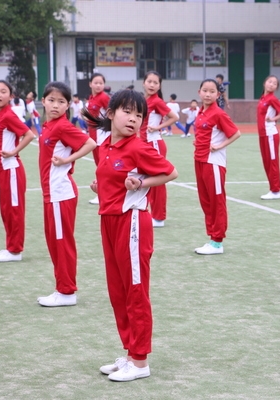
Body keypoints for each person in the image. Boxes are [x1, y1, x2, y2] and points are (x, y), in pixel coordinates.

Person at [83, 90, 178, 382]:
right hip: (109, 222)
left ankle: (140, 362)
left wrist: (141, 183)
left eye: (139, 115)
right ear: (111, 113)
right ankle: (129, 354)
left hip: (133, 222)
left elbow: (170, 173)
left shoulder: (138, 147)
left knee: (135, 292)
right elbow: (112, 177)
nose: (133, 119)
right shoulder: (107, 145)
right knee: (118, 292)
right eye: (127, 112)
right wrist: (100, 187)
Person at [36, 82, 96, 307]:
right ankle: (61, 288)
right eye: (51, 100)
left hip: (60, 193)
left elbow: (90, 143)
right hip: (51, 194)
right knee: (54, 243)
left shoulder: (62, 126)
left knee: (62, 244)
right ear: (43, 101)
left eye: (61, 102)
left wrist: (67, 160)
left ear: (68, 105)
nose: (55, 105)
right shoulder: (49, 125)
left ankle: (67, 292)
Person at [0, 80, 36, 262]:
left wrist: (14, 152)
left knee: (14, 211)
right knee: (6, 210)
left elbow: (29, 134)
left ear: (10, 96)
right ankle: (10, 247)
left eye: (3, 91)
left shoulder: (8, 115)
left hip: (11, 171)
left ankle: (15, 251)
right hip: (1, 170)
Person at [193, 79, 241, 255]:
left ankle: (217, 242)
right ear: (199, 92)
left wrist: (220, 146)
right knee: (205, 201)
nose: (208, 94)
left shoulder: (218, 113)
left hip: (213, 162)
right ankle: (212, 237)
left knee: (216, 201)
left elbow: (236, 133)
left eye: (212, 91)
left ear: (218, 94)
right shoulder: (200, 112)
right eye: (205, 90)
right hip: (199, 160)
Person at [139, 71, 179, 228]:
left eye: (155, 82)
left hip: (154, 143)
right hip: (144, 144)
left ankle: (159, 217)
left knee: (158, 181)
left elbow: (174, 117)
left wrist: (158, 127)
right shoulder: (144, 100)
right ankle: (152, 213)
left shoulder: (156, 101)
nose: (152, 85)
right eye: (149, 81)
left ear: (159, 86)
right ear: (143, 83)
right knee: (148, 180)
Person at [256, 75, 280, 200]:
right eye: (270, 82)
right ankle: (273, 188)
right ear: (264, 83)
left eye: (275, 84)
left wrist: (274, 119)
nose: (271, 84)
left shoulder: (272, 99)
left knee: (272, 162)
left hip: (270, 134)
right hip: (263, 134)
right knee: (266, 162)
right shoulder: (263, 98)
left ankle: (275, 190)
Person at [86, 73, 110, 205]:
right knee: (99, 166)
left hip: (102, 138)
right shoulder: (91, 98)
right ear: (90, 84)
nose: (98, 85)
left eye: (101, 83)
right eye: (96, 83)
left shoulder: (104, 98)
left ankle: (103, 194)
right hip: (93, 138)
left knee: (102, 167)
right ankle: (102, 193)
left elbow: (113, 113)